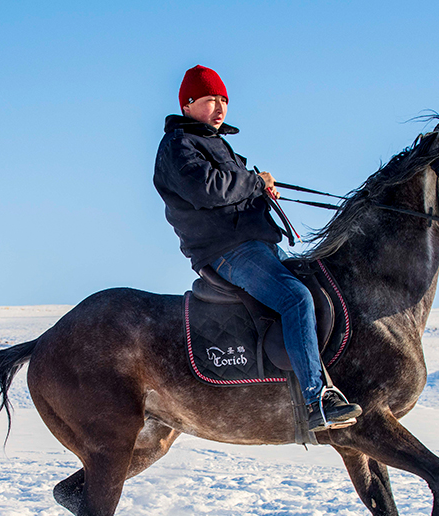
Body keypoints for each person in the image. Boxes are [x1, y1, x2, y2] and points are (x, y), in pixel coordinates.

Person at [153, 65, 361, 431]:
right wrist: (253, 182)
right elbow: (208, 189)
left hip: (256, 244)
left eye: (223, 100)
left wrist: (259, 193)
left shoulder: (215, 142)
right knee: (296, 297)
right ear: (187, 104)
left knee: (318, 285)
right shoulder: (178, 146)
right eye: (209, 100)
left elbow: (231, 192)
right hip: (227, 251)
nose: (219, 107)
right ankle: (316, 400)